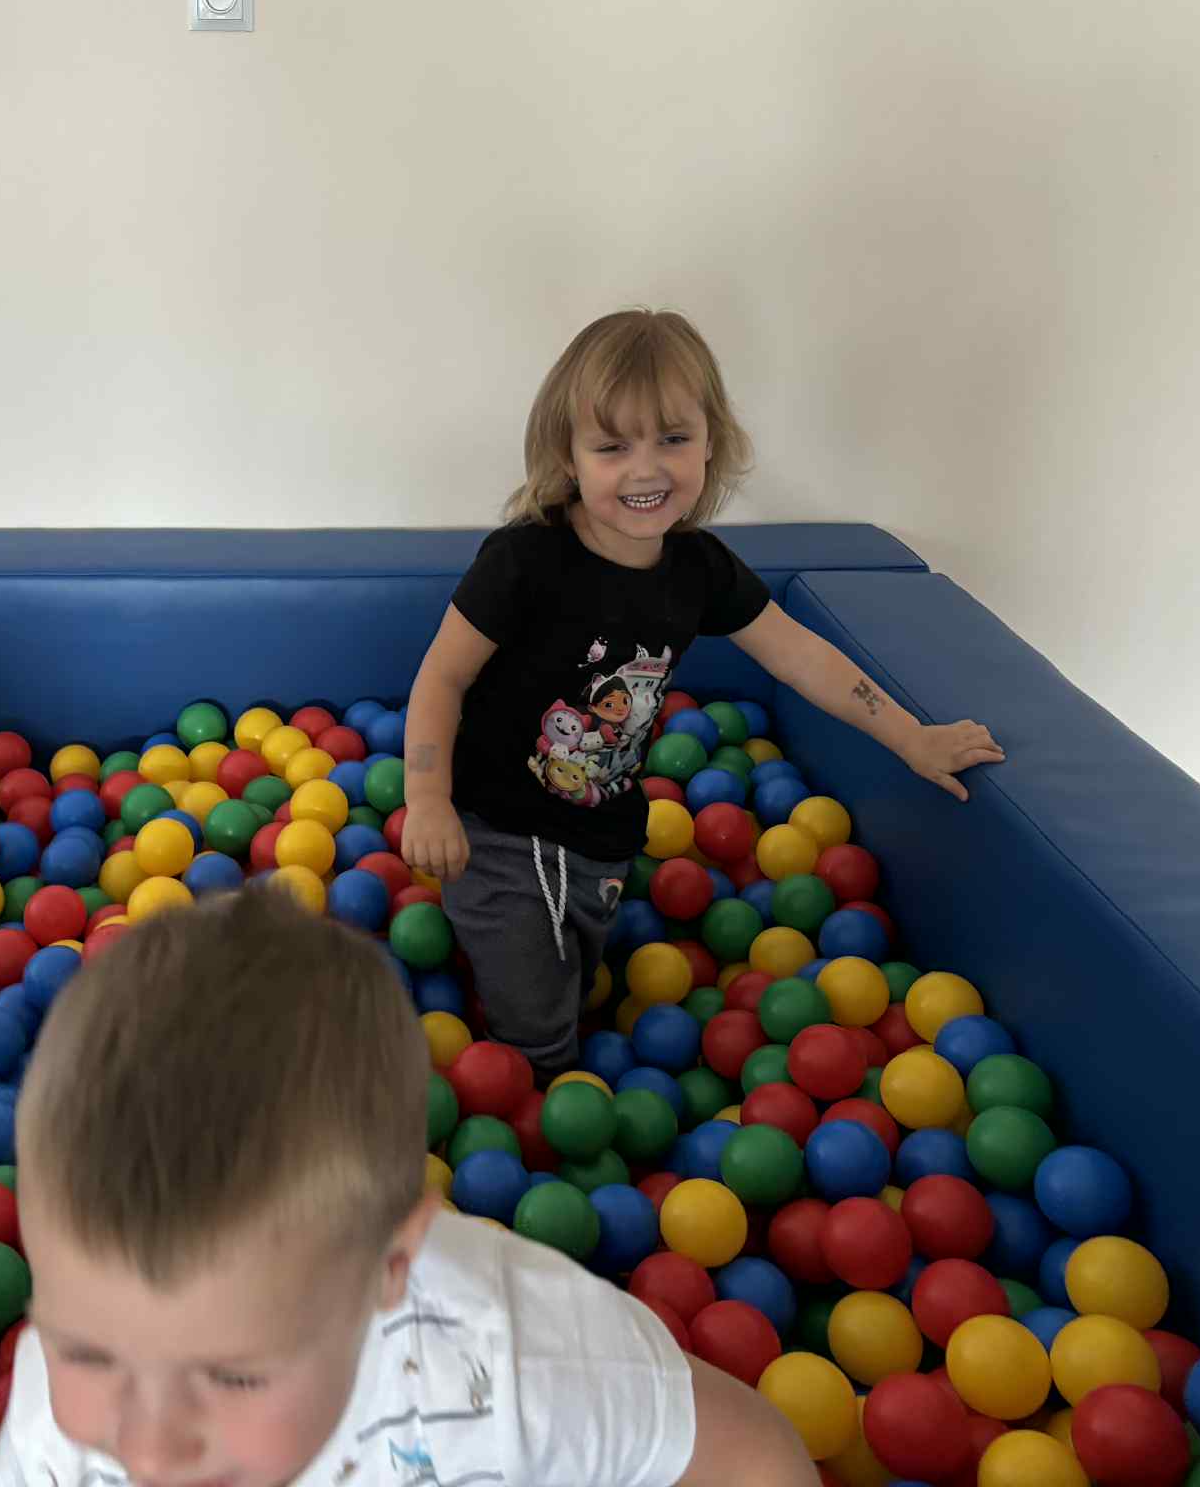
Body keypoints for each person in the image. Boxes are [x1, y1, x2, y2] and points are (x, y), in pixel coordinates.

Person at [0, 888, 817, 1486]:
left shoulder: (511, 1367)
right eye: (87, 1352)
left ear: (388, 1264)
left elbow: (753, 1461)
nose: (150, 1452)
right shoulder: (56, 1428)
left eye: (234, 1376)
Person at [400, 308, 1004, 1080]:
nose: (646, 469)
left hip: (602, 831)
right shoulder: (525, 560)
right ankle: (540, 1084)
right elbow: (442, 677)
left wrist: (912, 736)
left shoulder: (699, 570)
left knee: (578, 976)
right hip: (501, 829)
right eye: (613, 447)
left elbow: (802, 656)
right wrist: (428, 801)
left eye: (673, 439)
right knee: (539, 1030)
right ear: (567, 456)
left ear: (711, 441)